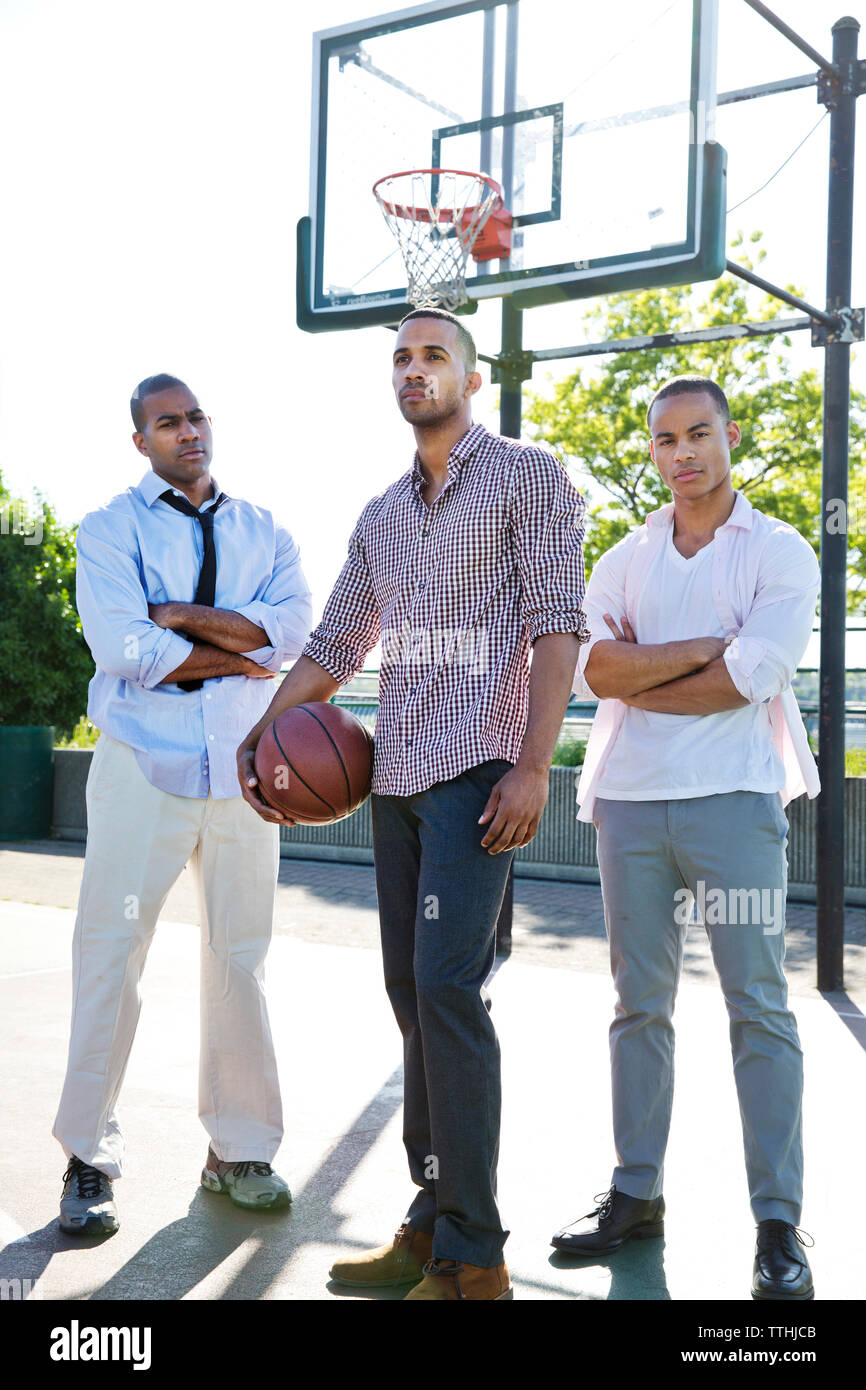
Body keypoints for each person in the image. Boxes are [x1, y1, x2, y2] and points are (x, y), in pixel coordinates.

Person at [238, 309, 589, 1301]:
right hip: (394, 778)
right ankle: (429, 1214)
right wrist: (259, 739)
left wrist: (532, 767)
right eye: (400, 356)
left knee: (446, 991)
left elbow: (558, 628)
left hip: (479, 772)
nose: (414, 368)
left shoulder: (529, 473)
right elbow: (335, 644)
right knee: (411, 998)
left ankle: (474, 1258)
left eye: (434, 355)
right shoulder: (380, 513)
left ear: (470, 379)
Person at [551, 374, 819, 1302]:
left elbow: (756, 676)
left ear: (729, 435)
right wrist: (704, 649)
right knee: (639, 1004)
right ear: (654, 452)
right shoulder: (625, 559)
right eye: (665, 441)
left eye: (699, 434)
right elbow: (594, 668)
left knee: (758, 1006)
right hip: (630, 803)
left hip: (734, 804)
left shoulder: (780, 551)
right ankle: (635, 1194)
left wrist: (650, 674)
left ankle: (778, 1224)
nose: (683, 455)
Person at [54, 373, 312, 1235]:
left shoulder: (264, 527)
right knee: (111, 954)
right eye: (168, 422)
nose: (188, 430)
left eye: (196, 415)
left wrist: (186, 620)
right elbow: (124, 647)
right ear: (141, 441)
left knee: (241, 957)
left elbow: (297, 637)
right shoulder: (108, 527)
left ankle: (240, 1151)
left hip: (243, 770)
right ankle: (89, 1156)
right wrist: (244, 646)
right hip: (142, 766)